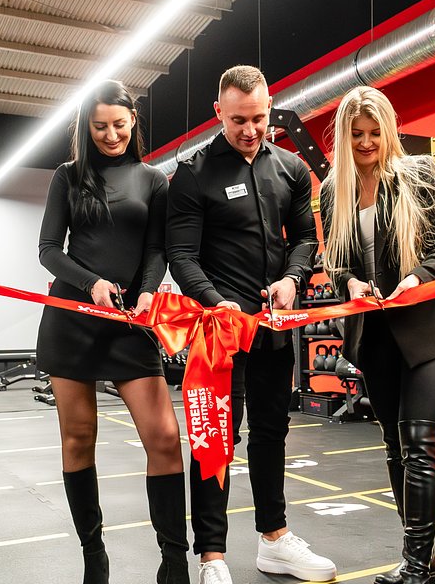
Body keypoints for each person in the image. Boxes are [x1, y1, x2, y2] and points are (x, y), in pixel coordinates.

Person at [167, 65, 334, 584]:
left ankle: (274, 539)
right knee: (214, 440)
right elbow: (181, 255)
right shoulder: (194, 173)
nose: (250, 129)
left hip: (274, 326)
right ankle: (211, 557)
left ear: (270, 109)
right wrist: (217, 303)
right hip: (219, 331)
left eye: (259, 118)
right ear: (219, 112)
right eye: (239, 119)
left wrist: (292, 279)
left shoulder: (290, 168)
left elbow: (305, 238)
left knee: (271, 431)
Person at [319, 86, 435, 584]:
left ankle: (414, 570)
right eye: (356, 134)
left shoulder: (419, 174)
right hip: (375, 332)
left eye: (374, 132)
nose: (366, 143)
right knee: (394, 445)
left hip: (429, 328)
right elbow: (335, 259)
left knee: (420, 443)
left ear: (388, 131)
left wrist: (416, 278)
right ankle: (425, 566)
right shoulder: (334, 190)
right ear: (344, 138)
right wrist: (349, 282)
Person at [36, 80, 188, 584]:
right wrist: (92, 283)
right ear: (87, 126)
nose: (110, 135)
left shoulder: (153, 181)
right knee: (79, 437)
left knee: (164, 437)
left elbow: (156, 250)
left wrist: (147, 292)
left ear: (133, 121)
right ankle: (94, 558)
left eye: (119, 125)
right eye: (100, 126)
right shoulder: (67, 176)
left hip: (130, 323)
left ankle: (174, 563)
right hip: (73, 319)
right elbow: (49, 250)